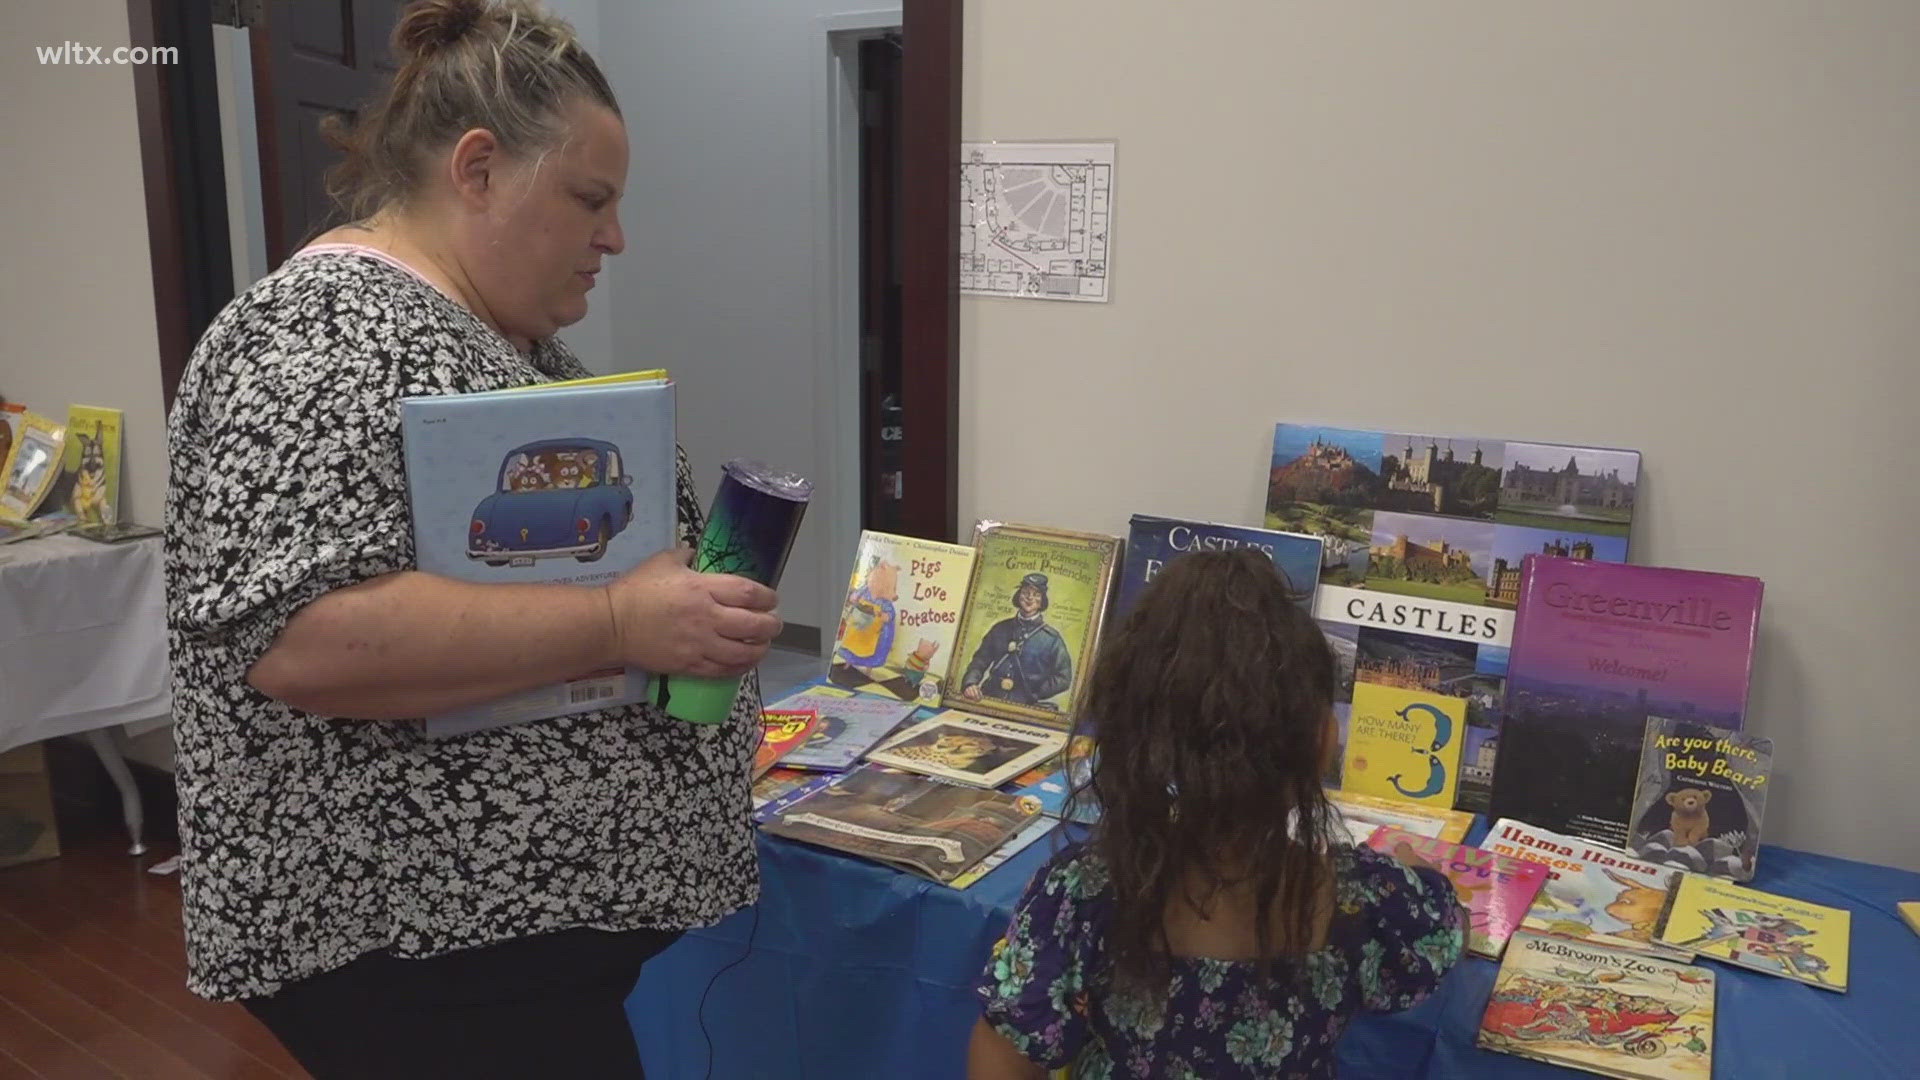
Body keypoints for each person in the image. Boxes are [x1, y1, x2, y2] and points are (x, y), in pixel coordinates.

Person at [162, 2, 780, 1076]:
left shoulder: (485, 328)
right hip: (425, 954)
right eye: (591, 199)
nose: (615, 237)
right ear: (479, 168)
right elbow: (300, 641)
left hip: (499, 958)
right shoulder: (315, 336)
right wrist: (623, 620)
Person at [966, 549, 1464, 1078]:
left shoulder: (1078, 894)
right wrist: (1421, 871)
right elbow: (1441, 935)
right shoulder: (1370, 898)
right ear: (1319, 744)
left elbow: (1005, 1058)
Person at [959, 572, 1073, 708]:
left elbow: (1063, 678)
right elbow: (980, 661)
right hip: (989, 698)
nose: (1030, 598)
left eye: (1036, 594)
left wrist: (1035, 693)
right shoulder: (999, 629)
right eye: (1026, 593)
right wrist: (970, 683)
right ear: (1019, 595)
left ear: (1042, 600)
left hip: (1026, 706)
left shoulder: (1052, 639)